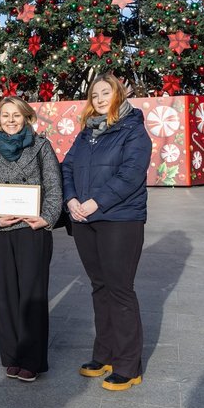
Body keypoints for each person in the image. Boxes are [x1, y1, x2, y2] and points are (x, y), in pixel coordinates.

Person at [62, 74, 151, 391]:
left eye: (105, 92)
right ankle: (105, 354)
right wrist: (71, 199)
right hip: (85, 220)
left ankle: (129, 366)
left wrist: (95, 202)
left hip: (120, 221)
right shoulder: (87, 133)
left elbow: (130, 176)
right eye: (94, 94)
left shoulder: (134, 131)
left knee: (119, 289)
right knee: (99, 287)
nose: (99, 98)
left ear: (118, 94)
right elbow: (67, 167)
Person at [0, 96, 62, 383]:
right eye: (5, 116)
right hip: (1, 230)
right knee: (5, 297)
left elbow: (54, 186)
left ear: (26, 117)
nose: (11, 120)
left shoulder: (41, 147)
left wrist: (47, 217)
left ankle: (32, 359)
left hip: (32, 230)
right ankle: (11, 354)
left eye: (16, 115)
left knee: (32, 296)